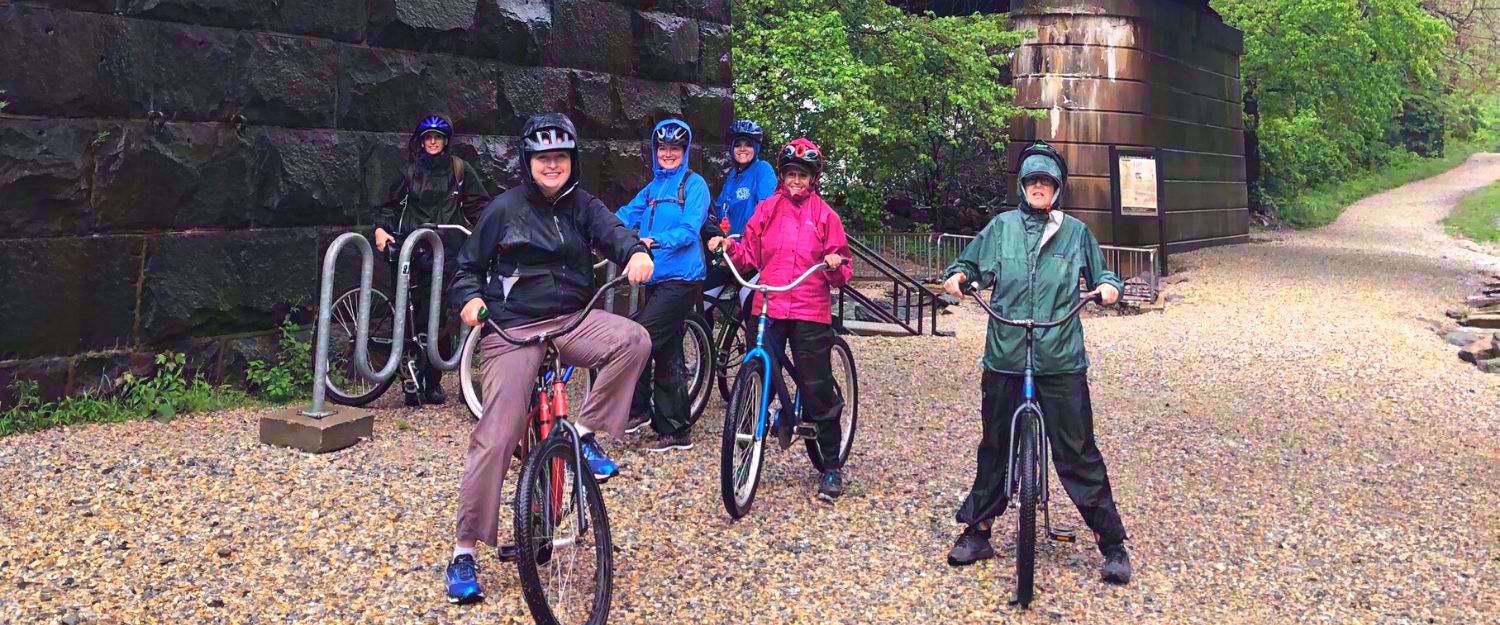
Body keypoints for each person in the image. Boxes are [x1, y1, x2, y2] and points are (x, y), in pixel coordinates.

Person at [444, 113, 655, 605]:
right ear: (528, 162)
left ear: (572, 160)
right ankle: (464, 551)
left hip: (573, 318)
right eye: (543, 158)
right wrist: (470, 300)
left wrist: (635, 252)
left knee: (634, 340)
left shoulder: (584, 205)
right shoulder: (503, 209)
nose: (552, 165)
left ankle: (581, 434)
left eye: (560, 156)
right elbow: (466, 267)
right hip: (514, 329)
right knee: (497, 435)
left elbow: (615, 233)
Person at [940, 140, 1133, 585]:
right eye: (1032, 181)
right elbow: (969, 263)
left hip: (1060, 357)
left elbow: (1103, 273)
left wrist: (1108, 288)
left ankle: (1111, 541)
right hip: (1006, 353)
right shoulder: (1001, 228)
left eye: (1046, 181)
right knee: (994, 445)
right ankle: (979, 530)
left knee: (1077, 450)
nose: (1039, 188)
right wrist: (959, 276)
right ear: (1023, 186)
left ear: (1058, 187)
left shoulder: (1076, 232)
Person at [708, 137, 853, 501]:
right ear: (782, 176)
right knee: (759, 373)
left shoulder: (826, 216)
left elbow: (842, 268)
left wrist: (834, 263)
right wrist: (729, 247)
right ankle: (753, 441)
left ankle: (831, 464)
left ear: (813, 178)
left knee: (816, 384)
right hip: (769, 302)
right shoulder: (767, 209)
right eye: (790, 174)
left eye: (802, 175)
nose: (796, 181)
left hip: (809, 306)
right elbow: (749, 255)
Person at [371, 115, 491, 406]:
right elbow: (388, 207)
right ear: (421, 141)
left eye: (438, 137)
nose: (433, 141)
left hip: (448, 252)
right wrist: (381, 230)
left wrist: (491, 232)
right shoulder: (409, 172)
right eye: (428, 137)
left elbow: (479, 207)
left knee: (443, 317)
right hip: (414, 250)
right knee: (410, 314)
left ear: (446, 140)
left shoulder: (460, 170)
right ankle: (410, 376)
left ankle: (434, 381)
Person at [615, 119, 710, 453]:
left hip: (682, 279)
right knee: (667, 348)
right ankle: (675, 428)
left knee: (641, 337)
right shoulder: (653, 187)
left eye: (675, 149)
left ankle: (638, 408)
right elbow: (626, 214)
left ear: (685, 151)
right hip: (655, 278)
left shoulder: (694, 185)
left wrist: (653, 240)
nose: (668, 154)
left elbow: (689, 230)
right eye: (663, 148)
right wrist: (599, 228)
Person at [701, 119, 778, 331]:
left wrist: (749, 237)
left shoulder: (762, 170)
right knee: (700, 304)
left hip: (750, 255)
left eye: (748, 144)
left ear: (756, 147)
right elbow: (720, 211)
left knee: (752, 317)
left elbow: (767, 208)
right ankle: (705, 349)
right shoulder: (732, 177)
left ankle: (754, 353)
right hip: (728, 252)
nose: (742, 149)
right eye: (738, 144)